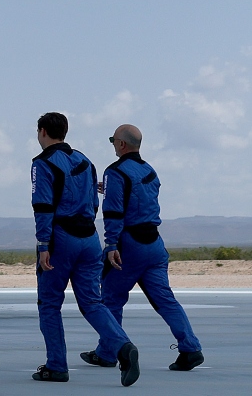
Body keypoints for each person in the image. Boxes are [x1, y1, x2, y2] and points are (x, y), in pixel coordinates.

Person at [77, 124, 204, 373]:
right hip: (154, 245)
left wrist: (111, 244)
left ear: (122, 144)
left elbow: (113, 213)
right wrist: (111, 189)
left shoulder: (116, 172)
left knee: (110, 298)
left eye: (113, 139)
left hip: (130, 246)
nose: (113, 143)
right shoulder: (149, 171)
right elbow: (139, 198)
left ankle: (108, 352)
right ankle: (191, 348)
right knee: (165, 300)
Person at [30, 111, 139, 386]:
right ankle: (123, 347)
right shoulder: (85, 161)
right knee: (92, 302)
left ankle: (56, 365)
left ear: (43, 132)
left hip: (61, 239)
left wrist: (44, 244)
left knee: (50, 304)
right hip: (89, 238)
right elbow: (93, 203)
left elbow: (42, 206)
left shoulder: (42, 163)